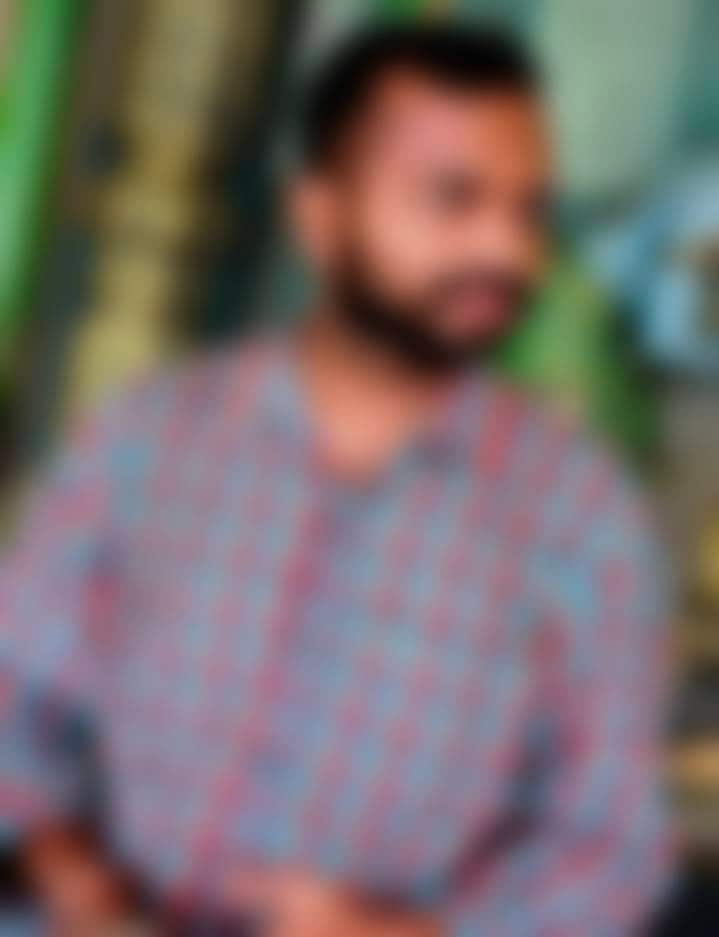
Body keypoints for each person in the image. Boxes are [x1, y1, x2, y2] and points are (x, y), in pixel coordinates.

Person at [1, 23, 670, 937]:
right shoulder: (153, 437)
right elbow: (14, 699)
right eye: (453, 199)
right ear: (318, 215)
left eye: (526, 210)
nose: (506, 250)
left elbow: (610, 846)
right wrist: (60, 861)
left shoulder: (578, 514)